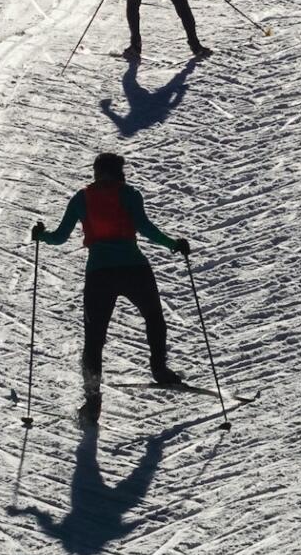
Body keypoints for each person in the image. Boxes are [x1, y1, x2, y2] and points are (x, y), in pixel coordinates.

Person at [32, 149, 192, 422]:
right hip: (134, 268)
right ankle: (159, 370)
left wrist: (41, 236)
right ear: (120, 172)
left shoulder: (82, 198)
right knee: (154, 318)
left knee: (94, 339)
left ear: (96, 172)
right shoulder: (129, 194)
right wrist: (174, 244)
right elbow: (145, 228)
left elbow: (60, 237)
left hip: (100, 274)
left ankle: (93, 401)